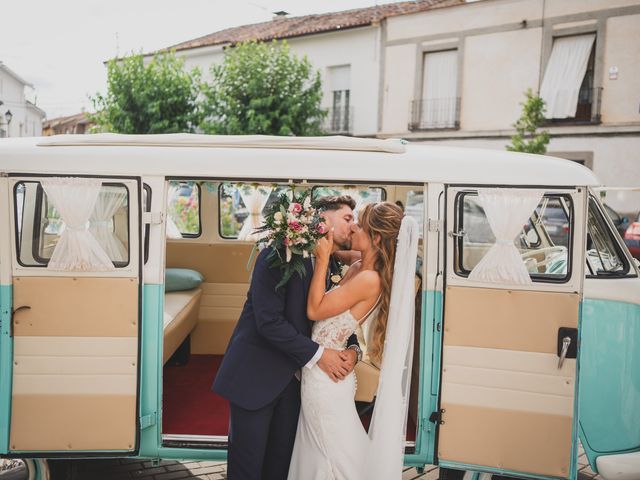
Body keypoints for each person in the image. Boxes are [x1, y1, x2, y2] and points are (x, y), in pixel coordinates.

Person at [213, 195, 362, 480]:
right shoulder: (276, 255)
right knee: (248, 469)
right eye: (346, 219)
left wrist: (354, 350)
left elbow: (340, 318)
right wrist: (320, 355)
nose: (352, 227)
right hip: (256, 377)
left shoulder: (329, 264)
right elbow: (268, 322)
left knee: (280, 468)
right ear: (322, 219)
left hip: (296, 386)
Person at [288, 201, 418, 480]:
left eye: (359, 223)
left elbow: (315, 310)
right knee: (322, 451)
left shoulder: (370, 279)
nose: (353, 227)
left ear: (377, 237)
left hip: (327, 381)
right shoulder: (359, 266)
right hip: (322, 371)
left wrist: (322, 259)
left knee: (339, 455)